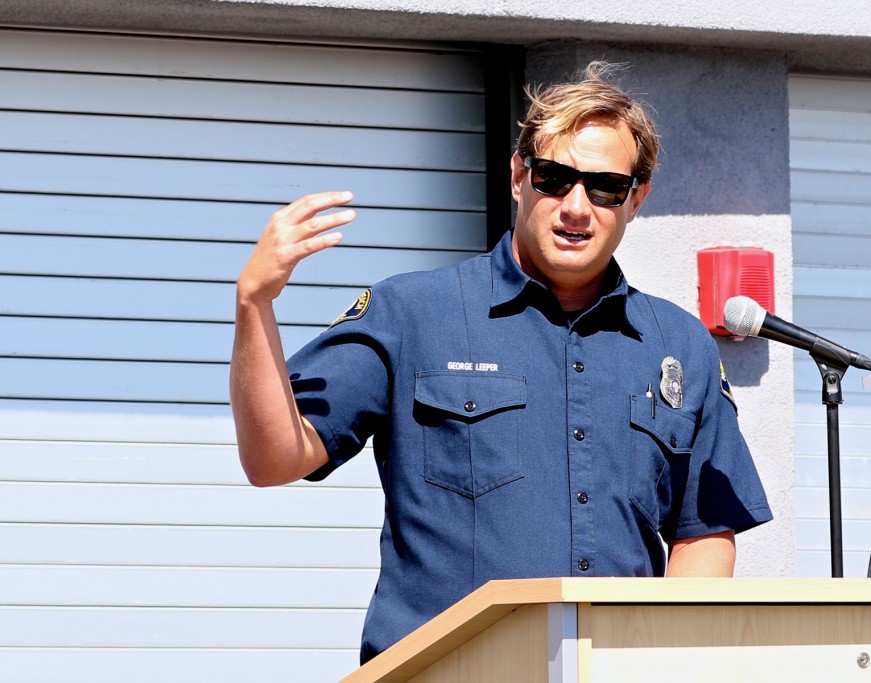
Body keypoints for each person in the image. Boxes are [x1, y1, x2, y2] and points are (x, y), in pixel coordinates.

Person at [230, 62, 772, 664]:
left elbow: (703, 532)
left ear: (635, 200)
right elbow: (275, 458)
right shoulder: (412, 312)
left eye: (605, 188)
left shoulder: (680, 345)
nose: (576, 206)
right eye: (554, 177)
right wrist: (255, 305)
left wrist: (660, 661)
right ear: (519, 176)